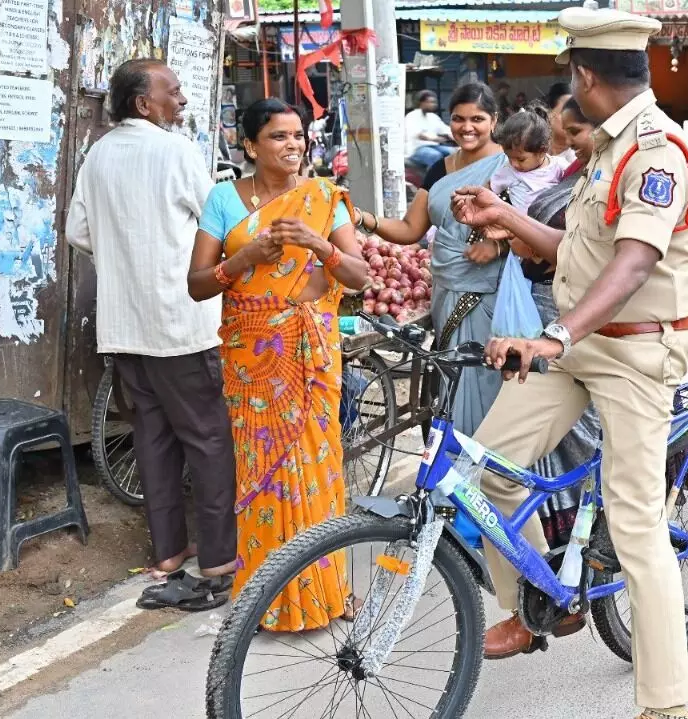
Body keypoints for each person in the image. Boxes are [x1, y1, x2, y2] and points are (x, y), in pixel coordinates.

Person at [449, 7, 688, 718]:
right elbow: (578, 252)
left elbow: (632, 261)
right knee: (488, 466)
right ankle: (537, 602)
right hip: (579, 338)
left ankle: (667, 703)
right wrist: (504, 219)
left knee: (634, 524)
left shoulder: (656, 149)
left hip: (633, 349)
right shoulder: (605, 147)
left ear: (586, 77)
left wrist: (555, 336)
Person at [187, 98, 370, 631]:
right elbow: (197, 285)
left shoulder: (324, 199)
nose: (293, 146)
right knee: (260, 473)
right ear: (250, 146)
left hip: (309, 356)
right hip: (251, 359)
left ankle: (324, 591)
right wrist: (246, 257)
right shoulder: (224, 199)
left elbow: (359, 276)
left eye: (298, 136)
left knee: (315, 467)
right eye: (278, 137)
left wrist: (319, 244)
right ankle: (265, 600)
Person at [65, 59, 236, 609]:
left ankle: (167, 554)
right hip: (181, 324)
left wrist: (125, 260)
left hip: (124, 324)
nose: (181, 100)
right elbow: (221, 225)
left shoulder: (98, 155)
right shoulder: (175, 152)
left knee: (153, 441)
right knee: (209, 441)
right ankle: (216, 558)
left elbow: (78, 232)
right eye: (174, 92)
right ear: (144, 104)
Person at [353, 83, 506, 437]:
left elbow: (532, 223)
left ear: (494, 121)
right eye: (458, 119)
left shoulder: (507, 165)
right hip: (445, 291)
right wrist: (365, 219)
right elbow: (411, 228)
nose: (467, 127)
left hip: (491, 293)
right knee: (450, 381)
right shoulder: (440, 167)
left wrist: (498, 247)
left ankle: (492, 476)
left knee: (487, 376)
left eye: (477, 119)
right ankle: (450, 477)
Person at [522, 98, 603, 545]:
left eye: (574, 133)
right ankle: (559, 539)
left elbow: (582, 251)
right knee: (536, 442)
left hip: (579, 316)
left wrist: (508, 221)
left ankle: (594, 531)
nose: (565, 143)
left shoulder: (612, 179)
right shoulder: (568, 174)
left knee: (583, 431)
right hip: (542, 308)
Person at [490, 108, 571, 213]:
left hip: (549, 223)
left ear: (542, 151)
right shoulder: (509, 170)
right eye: (509, 157)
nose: (513, 164)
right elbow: (490, 188)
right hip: (518, 223)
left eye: (521, 159)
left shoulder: (559, 166)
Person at [405, 90, 453, 168]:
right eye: (430, 102)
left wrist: (457, 137)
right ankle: (433, 179)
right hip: (416, 150)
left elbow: (446, 130)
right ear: (421, 103)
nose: (434, 105)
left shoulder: (433, 117)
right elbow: (419, 135)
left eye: (434, 102)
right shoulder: (411, 116)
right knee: (435, 155)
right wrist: (435, 139)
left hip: (433, 147)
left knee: (453, 152)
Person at [545, 82, 578, 162]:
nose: (573, 119)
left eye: (577, 112)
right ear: (549, 114)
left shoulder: (579, 157)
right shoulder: (532, 150)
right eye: (565, 111)